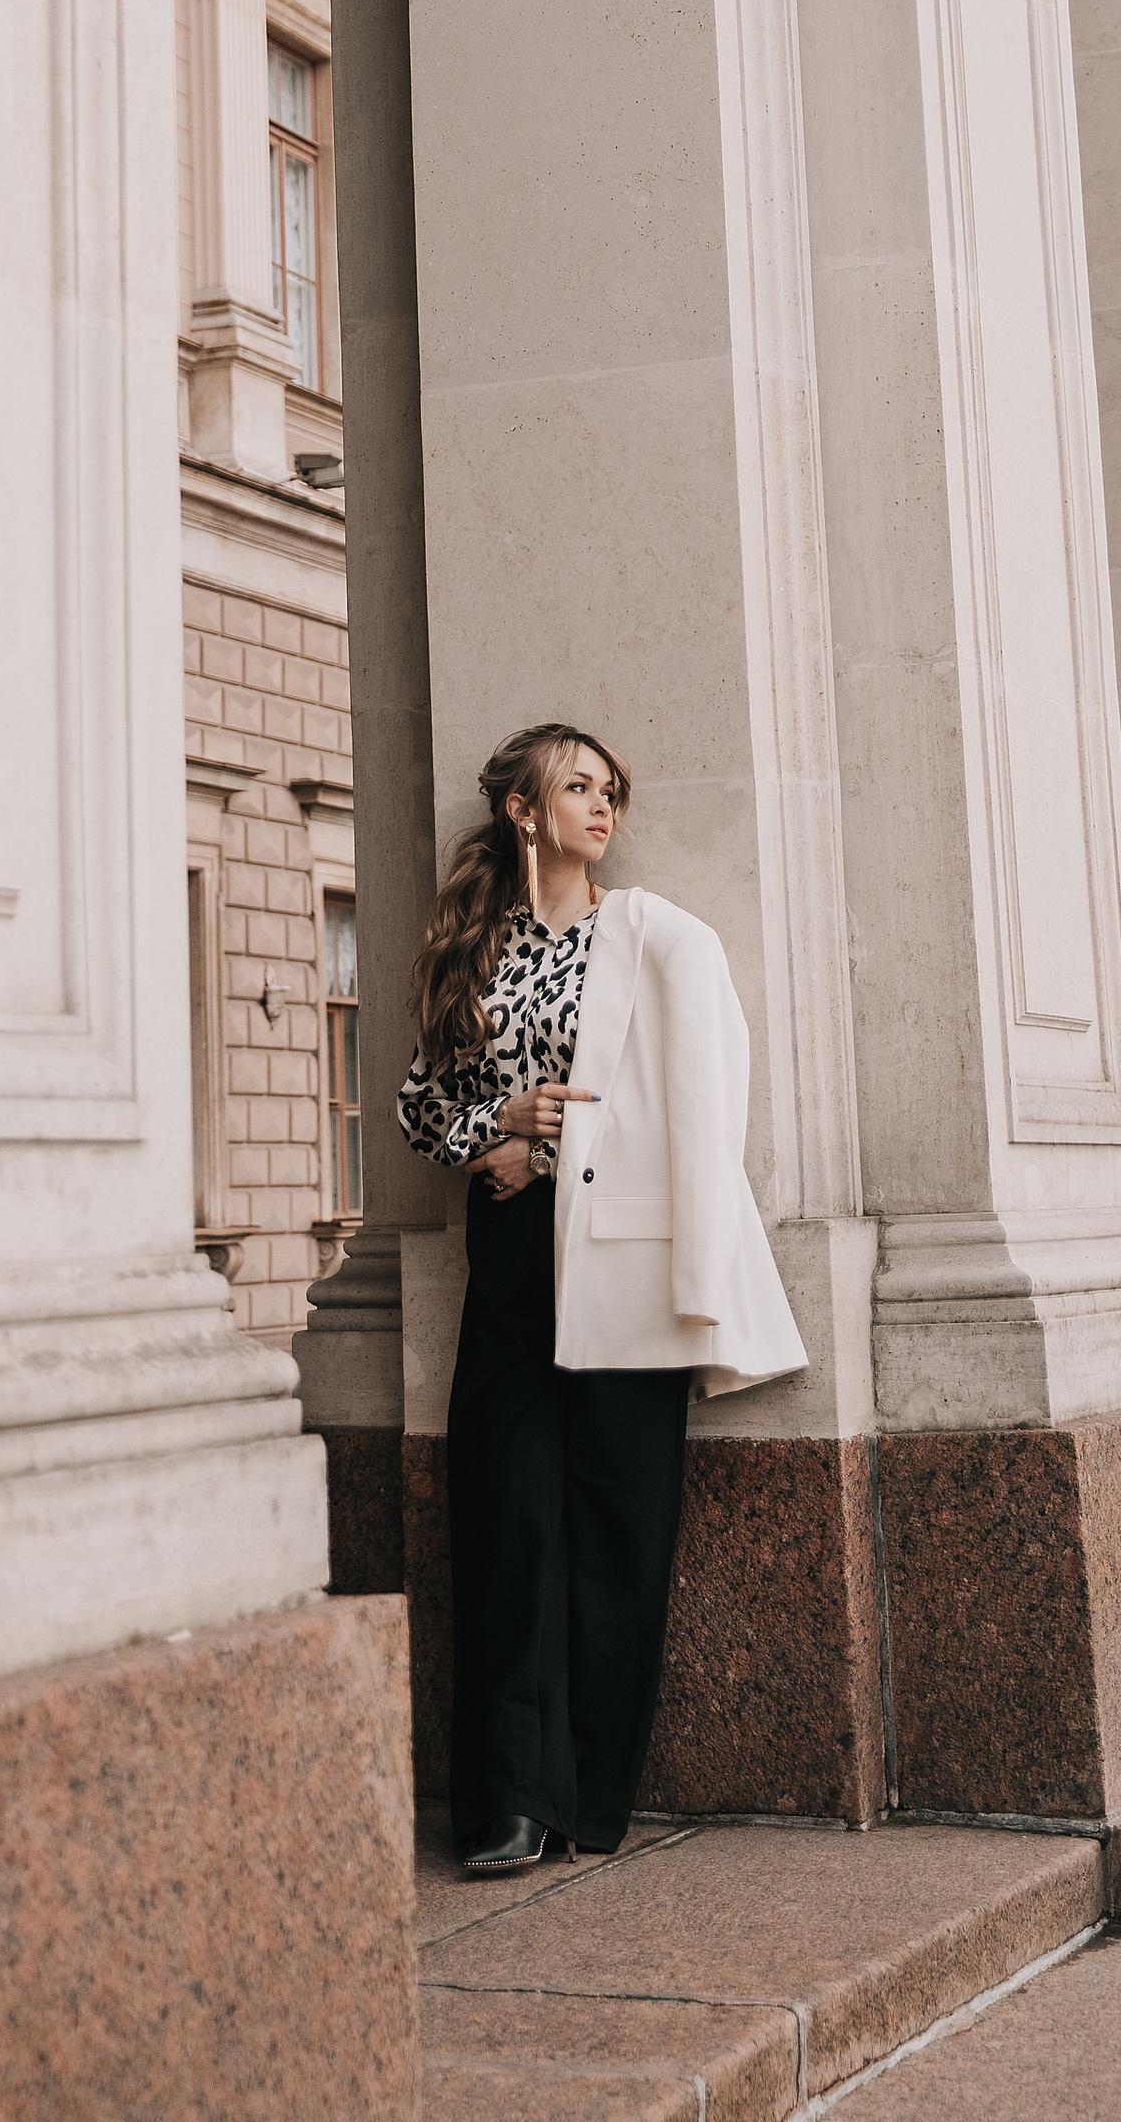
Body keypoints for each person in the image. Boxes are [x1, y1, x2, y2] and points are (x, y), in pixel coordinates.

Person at [397, 723, 807, 1875]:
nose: (602, 805)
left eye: (610, 789)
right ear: (524, 810)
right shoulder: (468, 952)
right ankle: (505, 1804)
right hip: (514, 1255)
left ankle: (585, 1793)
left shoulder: (657, 937)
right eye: (577, 787)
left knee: (619, 1528)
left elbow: (701, 1101)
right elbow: (419, 1110)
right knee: (508, 1519)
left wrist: (562, 1134)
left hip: (625, 1250)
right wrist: (502, 1127)